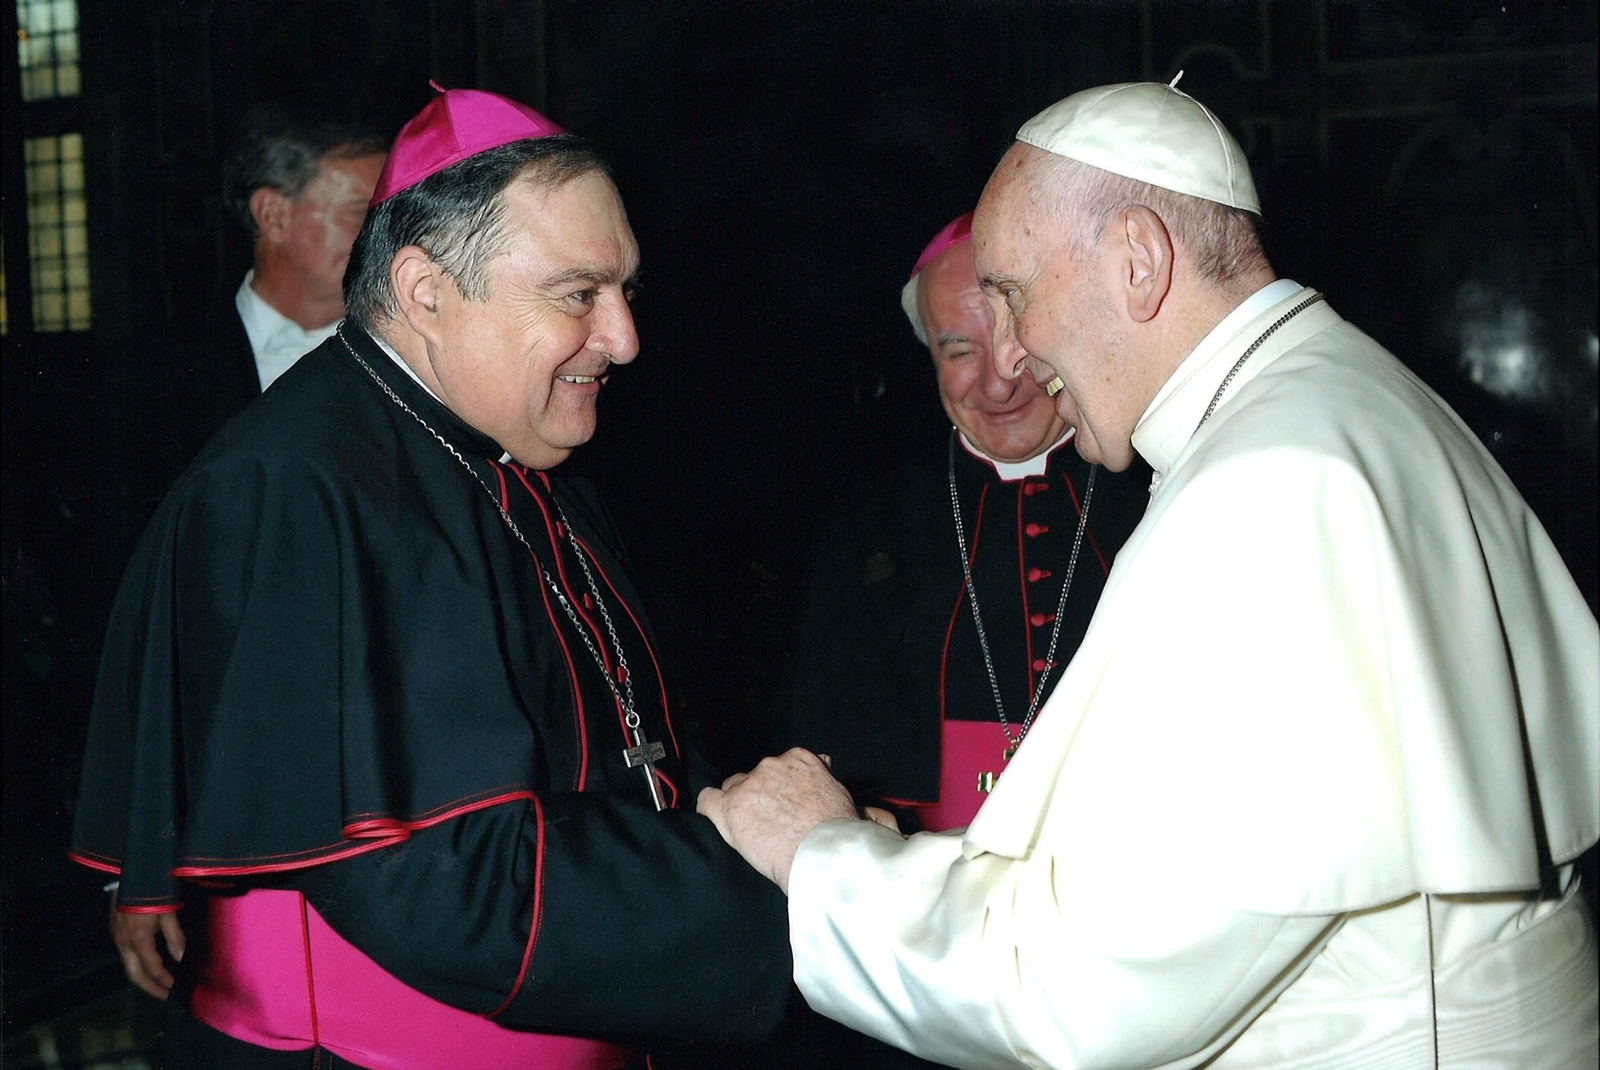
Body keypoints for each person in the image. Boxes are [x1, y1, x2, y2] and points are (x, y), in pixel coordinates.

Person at [701, 78, 1599, 1068]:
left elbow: (1080, 985)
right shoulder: (1338, 399)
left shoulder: (1271, 483)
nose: (1014, 349)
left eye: (1013, 291)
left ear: (1136, 261)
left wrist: (821, 858)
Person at [72, 86, 791, 1069]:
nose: (623, 337)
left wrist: (720, 820)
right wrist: (745, 866)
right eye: (578, 291)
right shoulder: (300, 485)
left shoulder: (511, 455)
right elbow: (441, 883)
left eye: (626, 289)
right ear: (424, 291)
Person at [781, 210, 1145, 835]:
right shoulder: (867, 527)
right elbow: (816, 747)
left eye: (1018, 347)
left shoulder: (1147, 491)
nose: (999, 385)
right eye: (959, 351)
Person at [163, 106, 388, 480]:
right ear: (273, 215)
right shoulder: (163, 370)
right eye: (361, 213)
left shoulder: (418, 355)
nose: (388, 237)